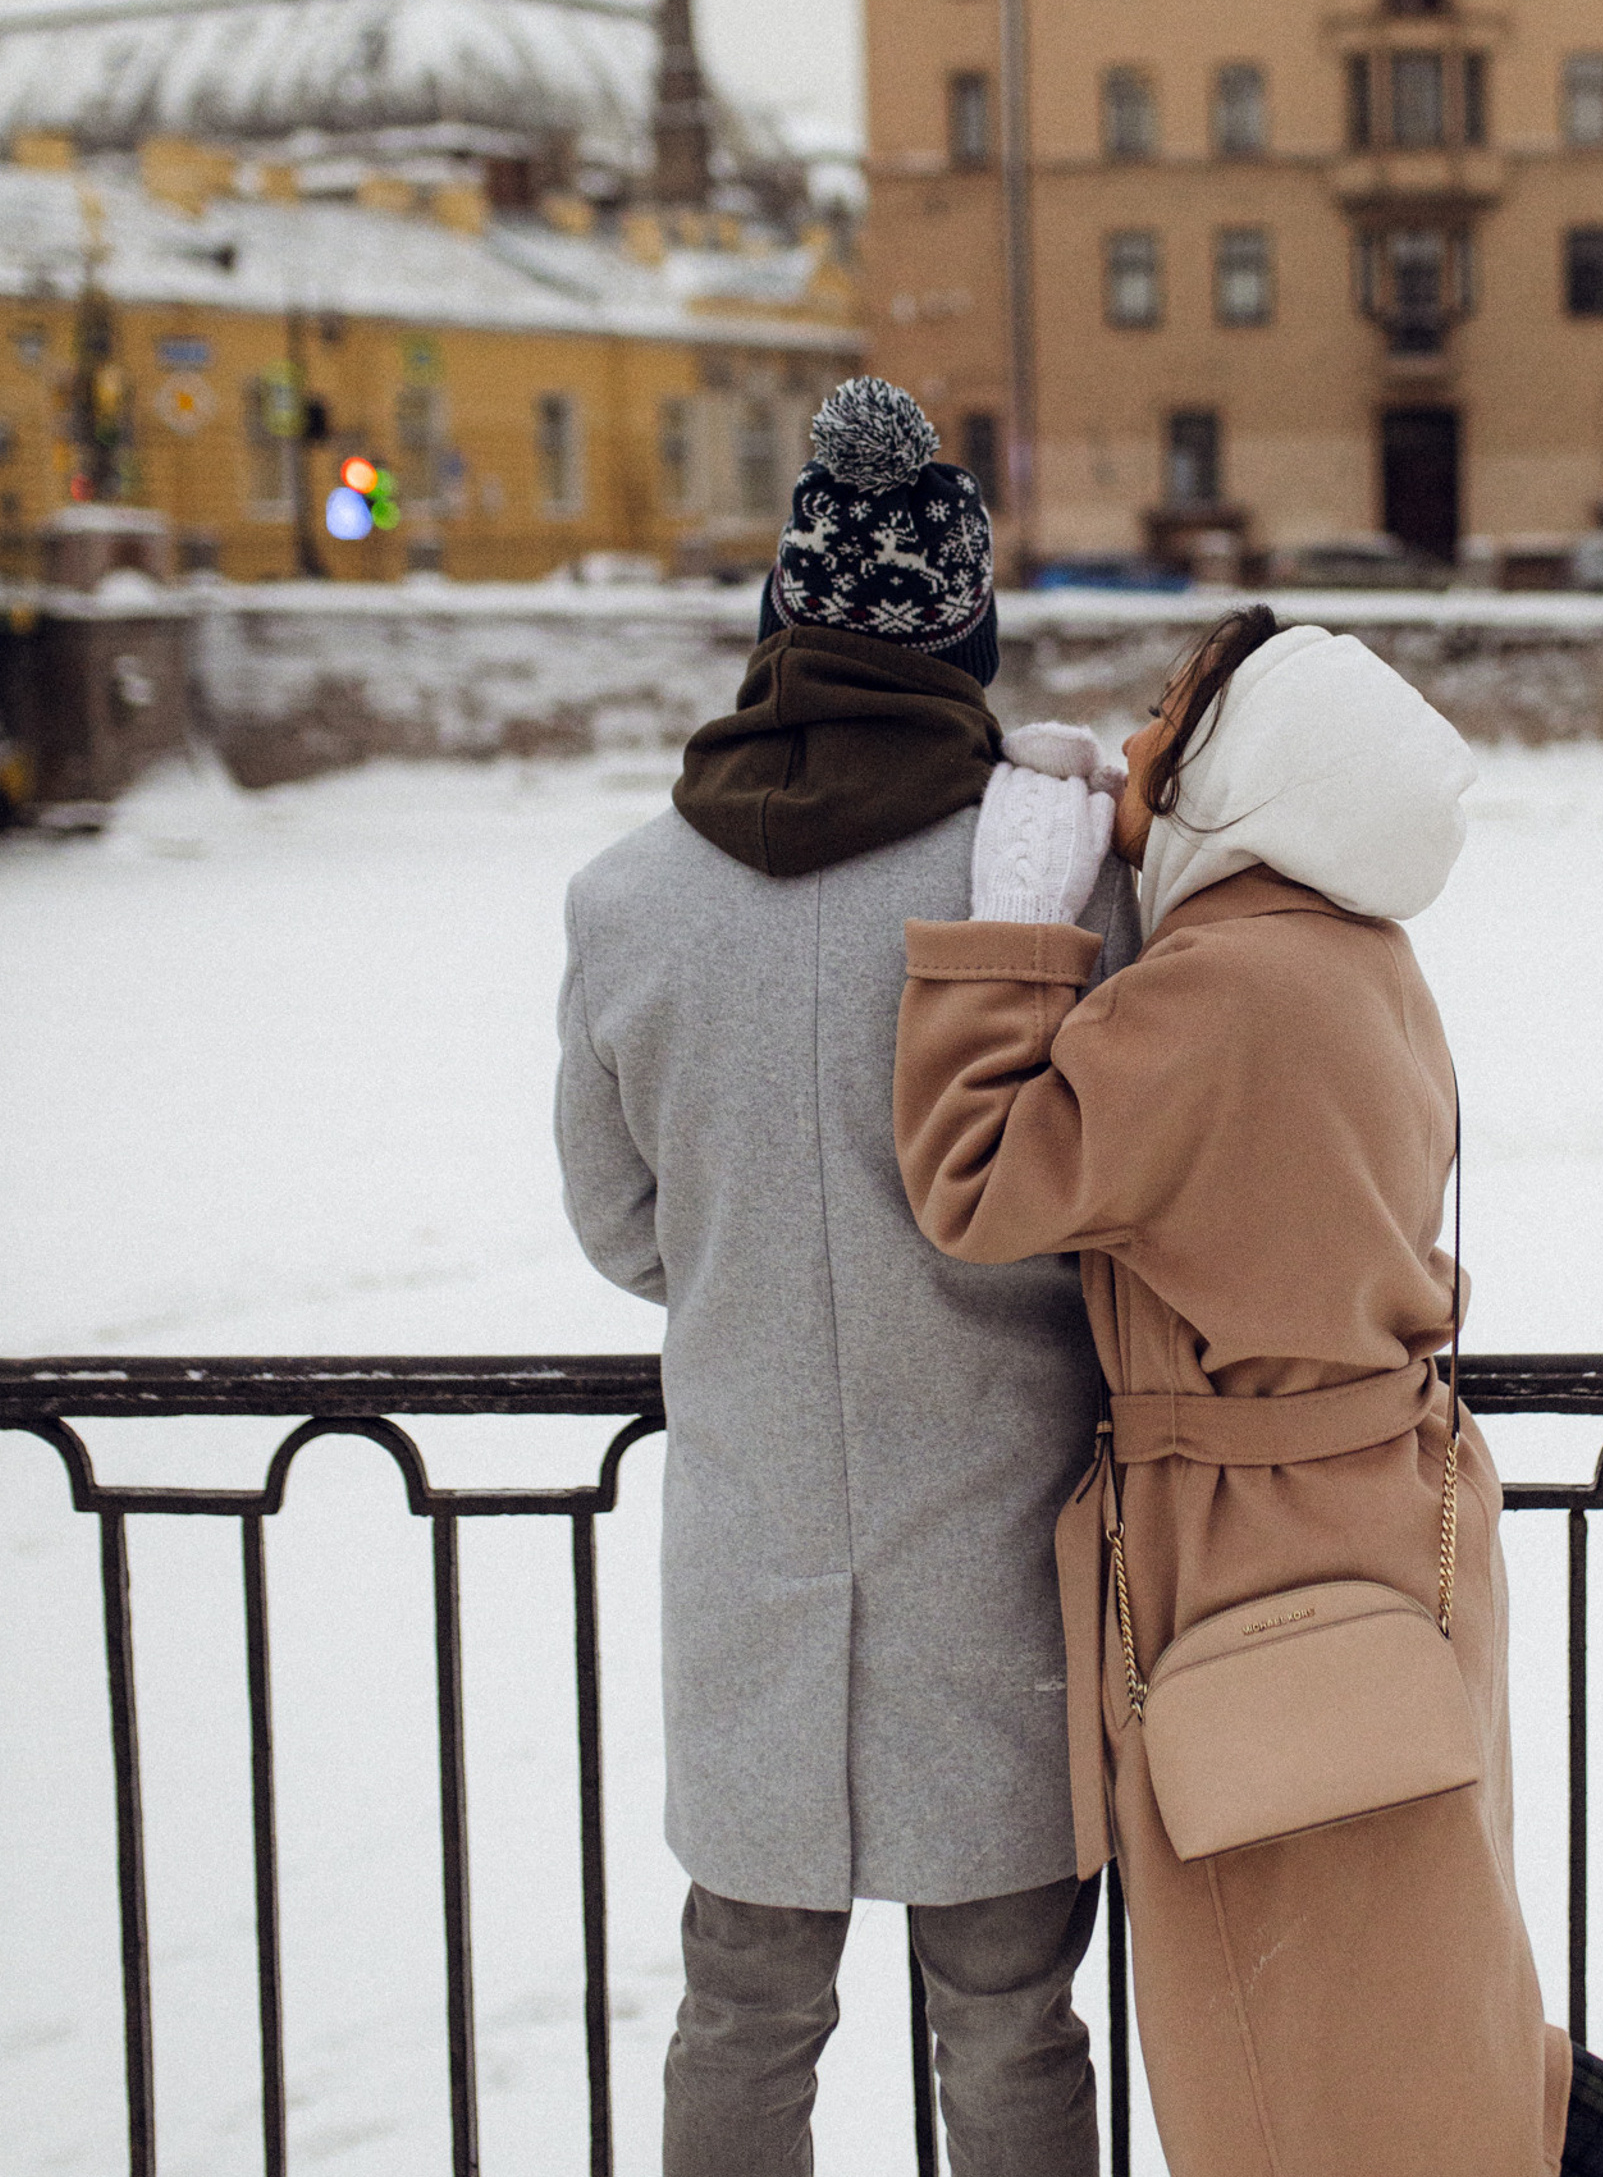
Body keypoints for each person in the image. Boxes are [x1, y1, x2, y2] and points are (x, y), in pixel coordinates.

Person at [891, 605, 1603, 2177]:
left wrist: (1013, 935)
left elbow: (978, 1177)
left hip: (1254, 1572)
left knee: (1308, 2079)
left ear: (1245, 777)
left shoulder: (1222, 997)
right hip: (1378, 1531)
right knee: (1423, 2028)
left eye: (1172, 724)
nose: (1131, 750)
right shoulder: (1361, 964)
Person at [555, 377, 1137, 2177]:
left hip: (753, 1563)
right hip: (1003, 1563)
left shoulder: (629, 898)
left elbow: (616, 1222)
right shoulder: (1051, 895)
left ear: (775, 629)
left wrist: (753, 1283)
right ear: (965, 641)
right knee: (1015, 2025)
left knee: (742, 2010)